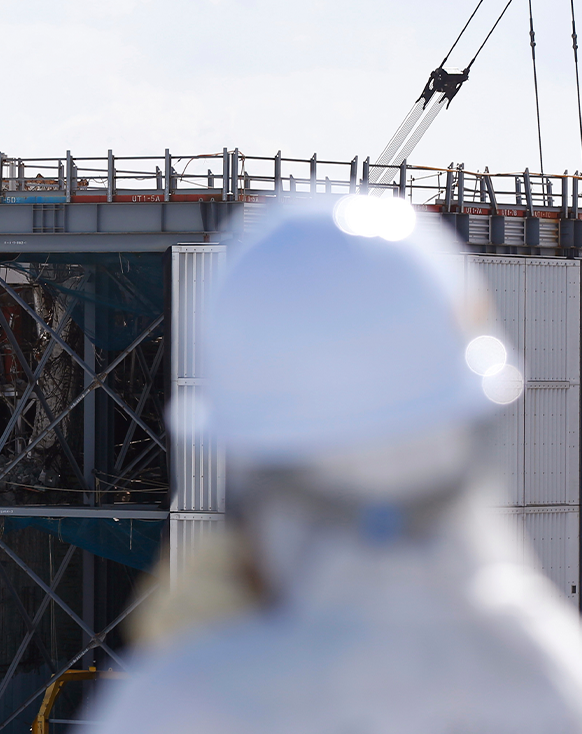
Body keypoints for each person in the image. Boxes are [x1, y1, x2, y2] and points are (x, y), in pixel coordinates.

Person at [93, 196, 582, 732]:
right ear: (478, 425)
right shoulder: (560, 680)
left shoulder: (183, 705)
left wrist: (184, 667)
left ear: (247, 461)